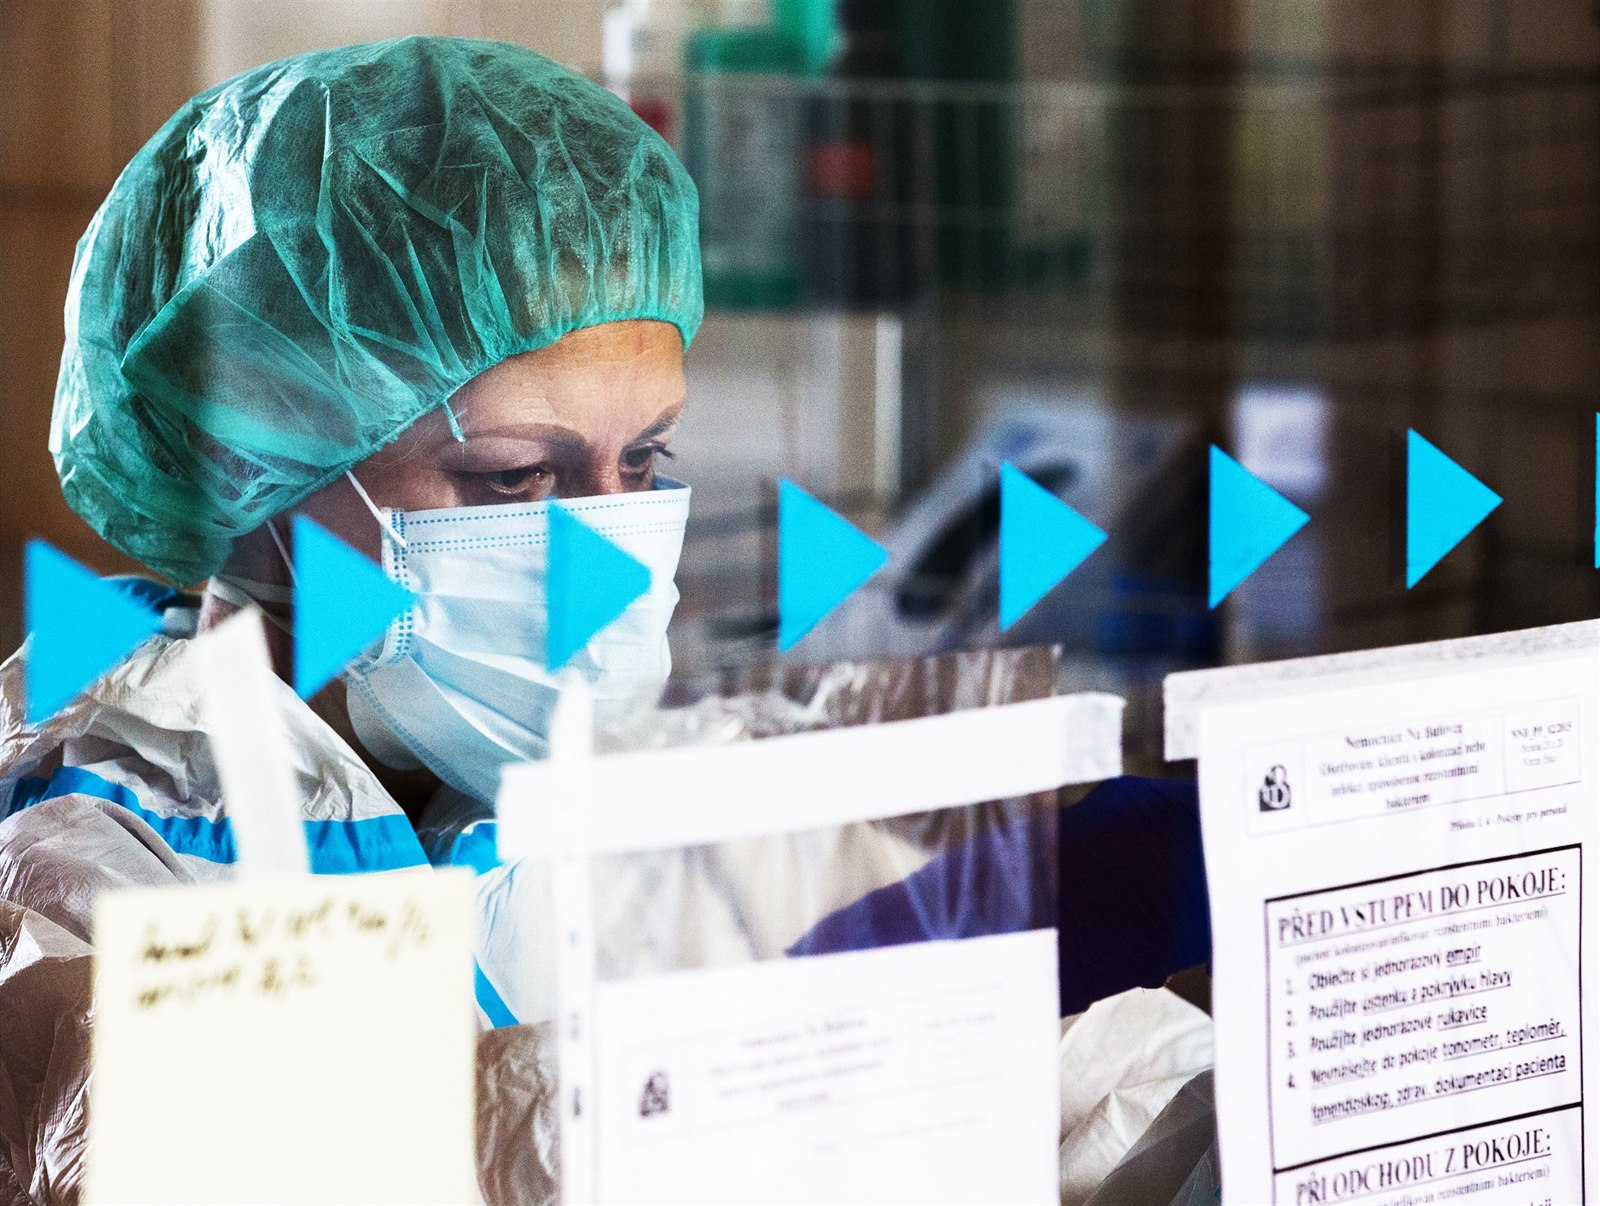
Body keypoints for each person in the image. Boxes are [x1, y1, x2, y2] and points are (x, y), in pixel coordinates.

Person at [0, 35, 1209, 1205]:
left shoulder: (623, 789)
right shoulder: (76, 825)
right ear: (254, 471)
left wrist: (1227, 1025)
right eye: (517, 475)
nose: (608, 546)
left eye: (642, 463)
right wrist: (813, 1039)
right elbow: (207, 1153)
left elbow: (1095, 1100)